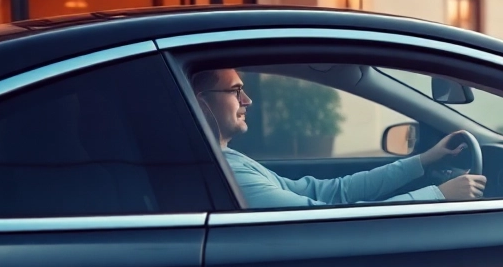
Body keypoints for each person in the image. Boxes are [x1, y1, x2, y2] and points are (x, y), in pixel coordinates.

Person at [192, 68, 486, 209]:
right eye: (235, 90)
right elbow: (325, 219)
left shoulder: (228, 160)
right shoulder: (228, 173)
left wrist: (423, 160)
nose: (248, 99)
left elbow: (331, 193)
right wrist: (439, 195)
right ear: (200, 101)